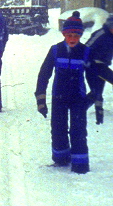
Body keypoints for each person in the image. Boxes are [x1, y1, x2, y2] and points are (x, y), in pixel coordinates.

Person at [35, 13, 90, 173]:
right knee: (58, 128)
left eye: (76, 35)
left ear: (80, 35)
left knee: (78, 130)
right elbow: (44, 75)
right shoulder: (55, 50)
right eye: (69, 35)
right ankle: (61, 159)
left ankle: (80, 165)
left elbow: (93, 77)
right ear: (63, 34)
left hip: (78, 98)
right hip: (59, 96)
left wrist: (93, 98)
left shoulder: (85, 52)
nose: (73, 39)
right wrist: (41, 100)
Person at [85, 13, 113, 124]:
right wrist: (87, 63)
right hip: (93, 65)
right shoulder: (101, 34)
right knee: (96, 91)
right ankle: (86, 110)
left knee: (97, 92)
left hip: (103, 65)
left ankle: (98, 116)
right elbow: (86, 47)